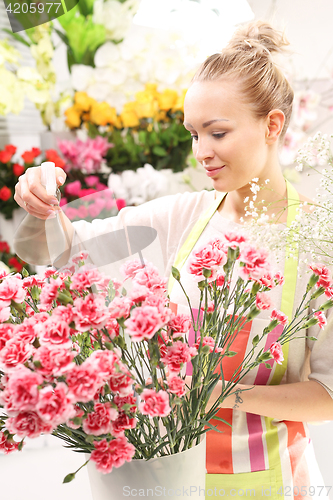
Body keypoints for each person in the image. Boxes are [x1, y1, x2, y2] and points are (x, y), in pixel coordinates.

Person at [14, 20, 333, 498]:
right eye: (192, 134)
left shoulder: (320, 242)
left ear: (272, 125)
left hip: (276, 484)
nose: (201, 152)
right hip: (169, 481)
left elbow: (327, 395)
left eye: (218, 133)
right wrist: (40, 197)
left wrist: (221, 392)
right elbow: (54, 253)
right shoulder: (179, 218)